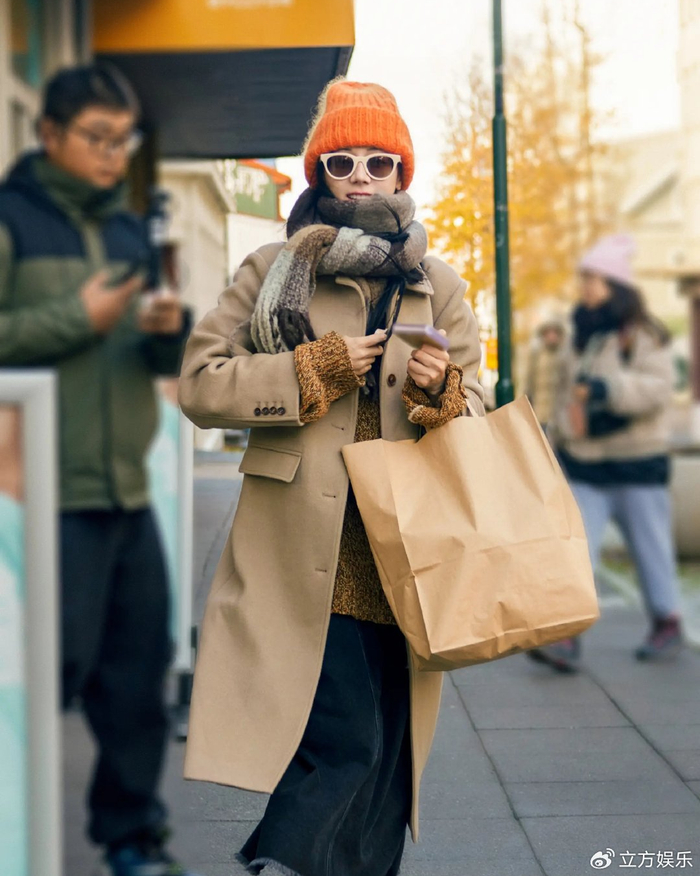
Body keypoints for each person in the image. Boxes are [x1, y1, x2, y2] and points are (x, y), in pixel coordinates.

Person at [178, 79, 485, 876]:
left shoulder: (437, 284)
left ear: (401, 172)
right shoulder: (270, 269)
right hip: (301, 547)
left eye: (378, 161)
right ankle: (279, 861)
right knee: (348, 740)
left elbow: (478, 411)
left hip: (402, 553)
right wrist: (309, 368)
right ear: (318, 170)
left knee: (388, 762)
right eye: (341, 160)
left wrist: (441, 392)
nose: (360, 176)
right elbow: (201, 384)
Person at [0, 65, 195, 876]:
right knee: (38, 677)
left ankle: (132, 836)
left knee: (138, 679)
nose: (115, 154)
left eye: (125, 139)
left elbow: (155, 360)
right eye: (98, 137)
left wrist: (167, 331)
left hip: (124, 489)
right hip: (38, 494)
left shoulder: (127, 231)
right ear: (49, 134)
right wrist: (77, 317)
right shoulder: (10, 219)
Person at [529, 233, 684, 674]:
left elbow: (658, 389)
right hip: (585, 465)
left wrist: (606, 389)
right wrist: (558, 436)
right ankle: (565, 635)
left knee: (652, 552)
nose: (585, 286)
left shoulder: (644, 334)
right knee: (575, 554)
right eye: (584, 278)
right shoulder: (580, 333)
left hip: (637, 464)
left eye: (593, 278)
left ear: (615, 284)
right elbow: (566, 394)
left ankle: (668, 622)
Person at [524, 317, 566, 430]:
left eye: (554, 332)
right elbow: (528, 382)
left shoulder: (564, 356)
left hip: (559, 414)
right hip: (539, 411)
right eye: (548, 333)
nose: (551, 336)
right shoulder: (536, 356)